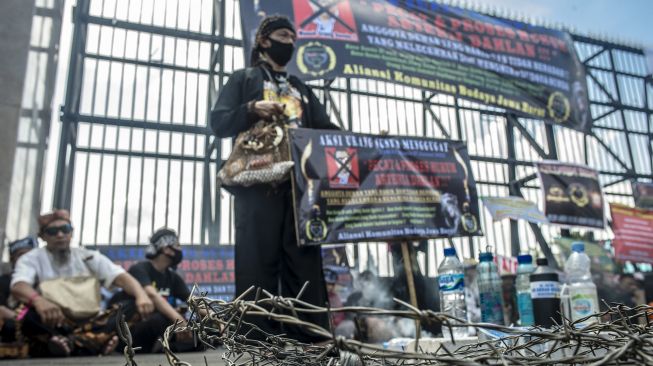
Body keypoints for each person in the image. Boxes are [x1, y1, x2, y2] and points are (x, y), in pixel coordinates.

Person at [210, 15, 338, 342]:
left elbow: (326, 131)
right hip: (258, 185)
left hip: (300, 190)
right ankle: (255, 342)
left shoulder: (301, 89)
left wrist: (361, 142)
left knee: (305, 264)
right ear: (264, 41)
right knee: (257, 263)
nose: (290, 42)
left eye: (294, 38)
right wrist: (252, 107)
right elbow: (220, 122)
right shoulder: (245, 78)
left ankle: (310, 341)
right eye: (283, 35)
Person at [10, 209, 154, 357]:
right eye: (53, 231)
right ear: (43, 236)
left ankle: (71, 343)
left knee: (131, 305)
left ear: (71, 233)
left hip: (92, 322)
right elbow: (19, 286)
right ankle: (93, 343)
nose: (60, 235)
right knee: (24, 312)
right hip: (54, 321)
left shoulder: (88, 256)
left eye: (65, 229)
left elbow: (122, 277)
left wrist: (141, 295)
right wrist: (38, 300)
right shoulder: (31, 258)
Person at [110, 228, 192, 353]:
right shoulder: (140, 268)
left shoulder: (173, 277)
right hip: (132, 330)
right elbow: (151, 295)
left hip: (161, 327)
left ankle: (163, 348)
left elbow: (194, 300)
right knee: (159, 320)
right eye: (177, 245)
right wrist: (179, 321)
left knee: (197, 333)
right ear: (166, 249)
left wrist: (215, 317)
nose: (179, 249)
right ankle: (163, 346)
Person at [0, 237, 37, 343]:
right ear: (12, 259)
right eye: (21, 255)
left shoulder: (44, 280)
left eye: (31, 255)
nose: (26, 259)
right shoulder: (4, 282)